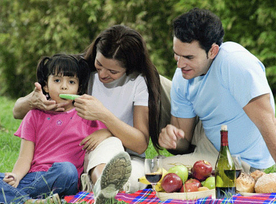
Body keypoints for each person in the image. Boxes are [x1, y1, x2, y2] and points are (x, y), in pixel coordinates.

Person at [12, 25, 168, 194]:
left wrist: (104, 118)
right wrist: (32, 100)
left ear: (129, 68)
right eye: (99, 64)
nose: (102, 74)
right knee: (105, 151)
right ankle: (103, 186)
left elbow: (139, 145)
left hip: (127, 155)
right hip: (88, 154)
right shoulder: (80, 72)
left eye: (112, 71)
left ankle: (106, 188)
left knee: (124, 162)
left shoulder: (138, 82)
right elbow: (17, 111)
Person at [154, 8, 276, 172]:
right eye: (177, 55)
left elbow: (268, 123)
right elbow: (184, 142)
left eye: (189, 57)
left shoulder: (235, 63)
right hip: (210, 138)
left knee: (157, 170)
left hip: (240, 158)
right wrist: (173, 138)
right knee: (150, 79)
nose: (179, 64)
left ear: (213, 51)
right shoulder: (182, 76)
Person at [0, 54, 121, 204]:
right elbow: (25, 157)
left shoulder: (86, 116)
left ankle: (15, 197)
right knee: (4, 178)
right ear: (45, 86)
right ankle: (30, 201)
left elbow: (116, 132)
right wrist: (16, 176)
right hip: (34, 176)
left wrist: (105, 132)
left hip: (64, 179)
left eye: (71, 82)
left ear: (78, 88)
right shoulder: (33, 115)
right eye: (57, 80)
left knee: (67, 170)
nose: (64, 86)